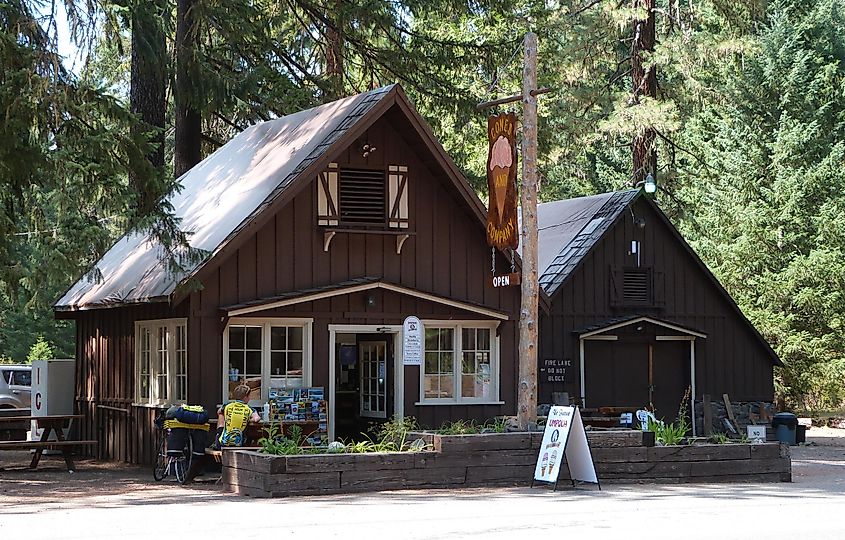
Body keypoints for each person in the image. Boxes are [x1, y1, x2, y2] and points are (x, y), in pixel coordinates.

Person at [215, 384, 261, 448]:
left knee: (221, 414)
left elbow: (219, 411)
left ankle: (218, 436)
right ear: (245, 397)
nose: (250, 398)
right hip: (238, 444)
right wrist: (248, 419)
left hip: (222, 443)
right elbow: (257, 419)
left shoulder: (227, 405)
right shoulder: (249, 409)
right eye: (249, 396)